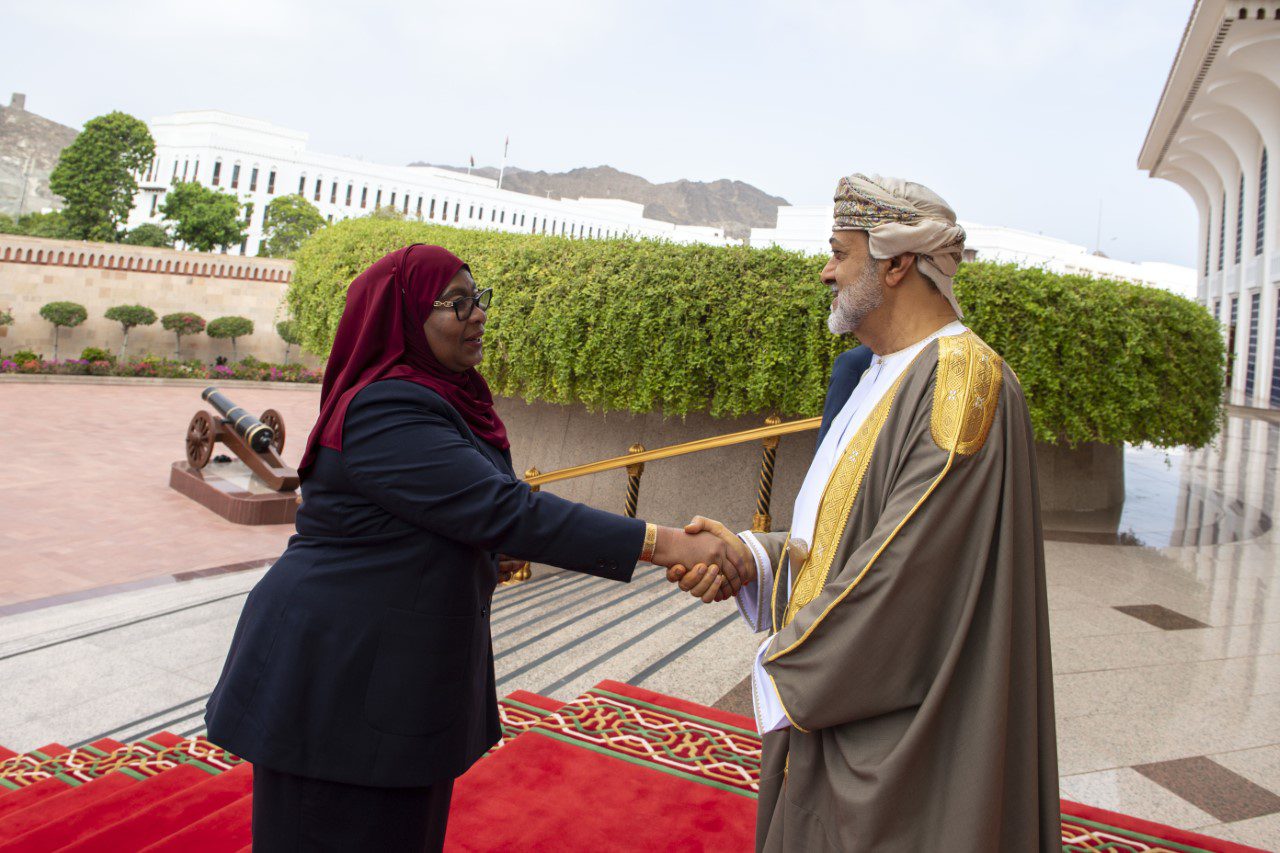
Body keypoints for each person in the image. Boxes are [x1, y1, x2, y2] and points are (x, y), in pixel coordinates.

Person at [204, 244, 743, 852]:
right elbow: (501, 509)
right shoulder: (387, 406)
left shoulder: (440, 397)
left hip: (399, 677)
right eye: (454, 303)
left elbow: (461, 509)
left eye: (477, 299)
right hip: (339, 677)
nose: (477, 314)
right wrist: (664, 542)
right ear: (402, 316)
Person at [669, 174, 1059, 852]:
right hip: (849, 706)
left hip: (906, 743)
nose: (826, 271)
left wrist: (785, 664)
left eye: (840, 252)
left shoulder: (961, 383)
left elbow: (903, 577)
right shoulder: (879, 372)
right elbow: (846, 539)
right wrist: (752, 559)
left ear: (897, 262)